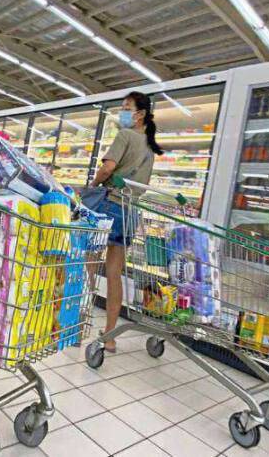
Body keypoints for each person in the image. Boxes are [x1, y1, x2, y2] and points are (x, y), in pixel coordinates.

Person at [87, 91, 162, 353]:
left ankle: (77, 324)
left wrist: (93, 184)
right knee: (114, 274)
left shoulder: (125, 135)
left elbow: (108, 168)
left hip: (109, 204)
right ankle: (109, 336)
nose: (123, 112)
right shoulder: (149, 147)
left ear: (140, 114)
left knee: (88, 265)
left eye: (127, 108)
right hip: (130, 211)